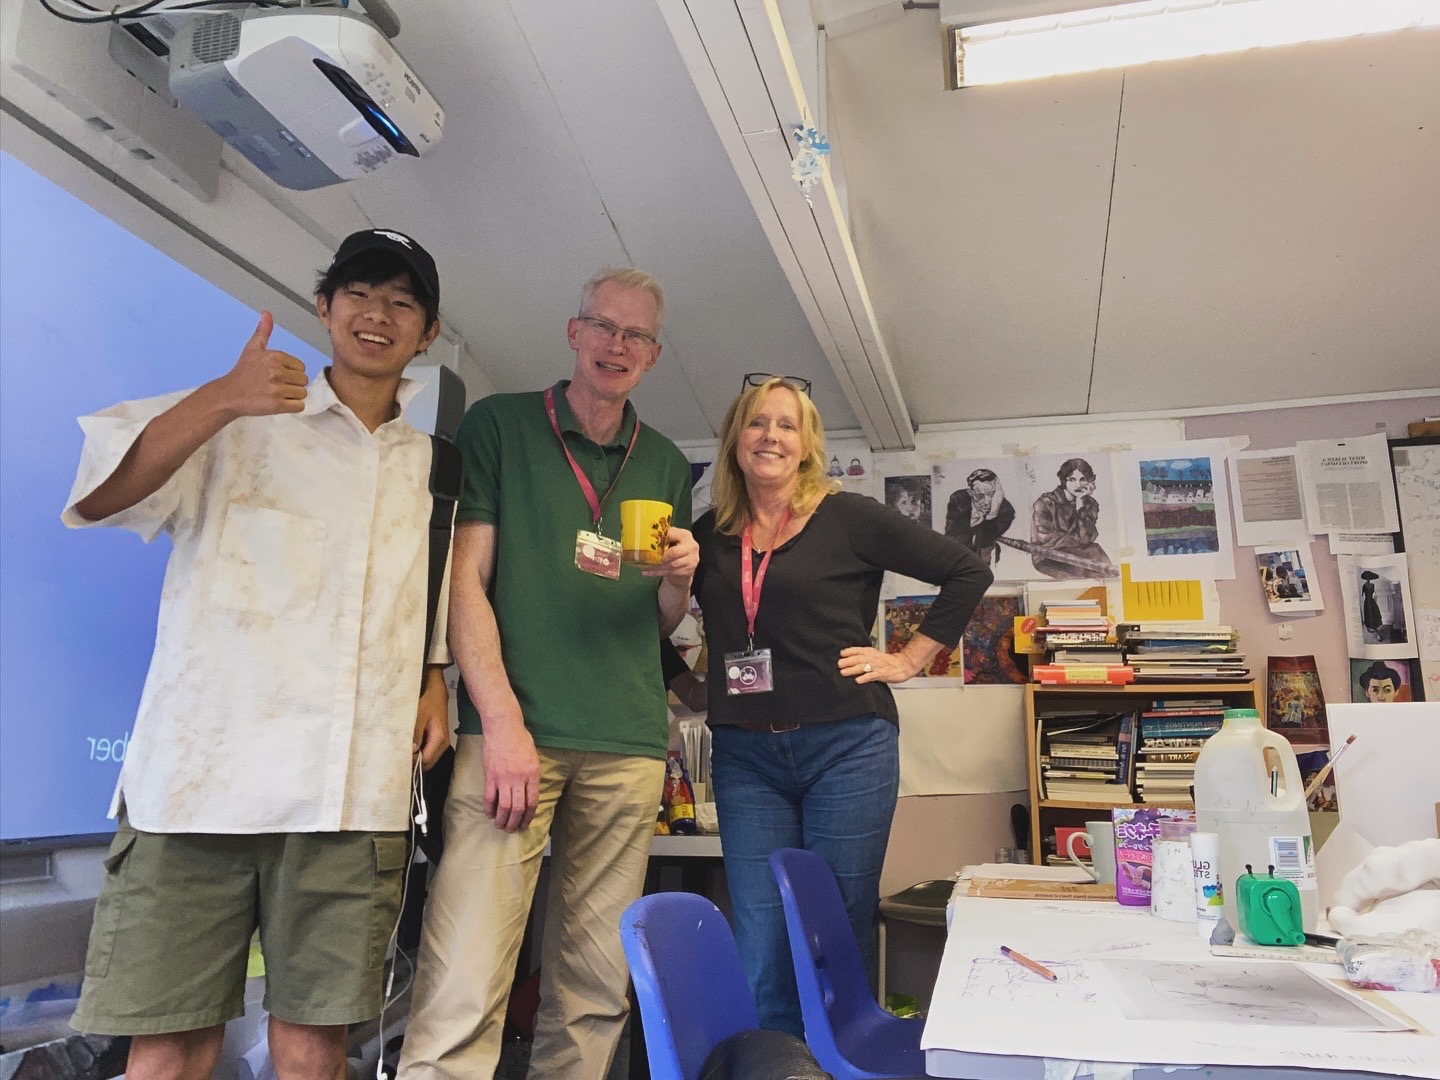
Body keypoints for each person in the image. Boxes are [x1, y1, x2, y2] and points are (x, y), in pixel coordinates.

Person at [63, 229, 452, 1080]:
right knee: (168, 1048)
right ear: (323, 306)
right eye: (359, 293)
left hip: (348, 802)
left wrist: (433, 674)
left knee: (313, 1051)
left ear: (427, 333)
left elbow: (413, 599)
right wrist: (222, 398)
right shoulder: (238, 417)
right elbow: (98, 497)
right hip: (194, 795)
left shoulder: (437, 469)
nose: (377, 314)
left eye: (402, 301)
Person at [399, 268, 698, 1080]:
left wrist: (680, 581)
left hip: (628, 742)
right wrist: (500, 722)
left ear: (654, 355)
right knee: (466, 976)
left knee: (597, 989)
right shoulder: (500, 426)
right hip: (512, 735)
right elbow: (464, 584)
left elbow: (653, 623)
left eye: (636, 335)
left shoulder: (667, 463)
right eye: (603, 325)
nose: (616, 345)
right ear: (573, 332)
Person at [691, 375, 993, 1036]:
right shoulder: (709, 534)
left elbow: (968, 571)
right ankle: (779, 1071)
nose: (771, 436)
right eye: (757, 422)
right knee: (762, 942)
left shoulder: (848, 516)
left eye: (787, 425)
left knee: (832, 929)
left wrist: (908, 660)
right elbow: (657, 612)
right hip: (745, 758)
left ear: (807, 446)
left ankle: (837, 1066)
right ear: (735, 439)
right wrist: (685, 684)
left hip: (847, 748)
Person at [1030, 457, 1111, 578]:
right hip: (1049, 555)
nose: (1078, 485)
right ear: (1064, 480)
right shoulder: (1045, 503)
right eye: (1072, 479)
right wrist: (1076, 539)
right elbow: (1048, 541)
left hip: (1077, 552)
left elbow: (1086, 538)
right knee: (1078, 573)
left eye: (1083, 479)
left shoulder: (1089, 503)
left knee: (1100, 560)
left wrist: (1081, 506)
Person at [944, 467, 1015, 566]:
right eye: (979, 496)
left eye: (991, 494)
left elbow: (984, 542)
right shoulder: (958, 500)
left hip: (985, 560)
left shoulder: (1006, 511)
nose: (987, 501)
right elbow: (951, 536)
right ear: (970, 492)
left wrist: (992, 515)